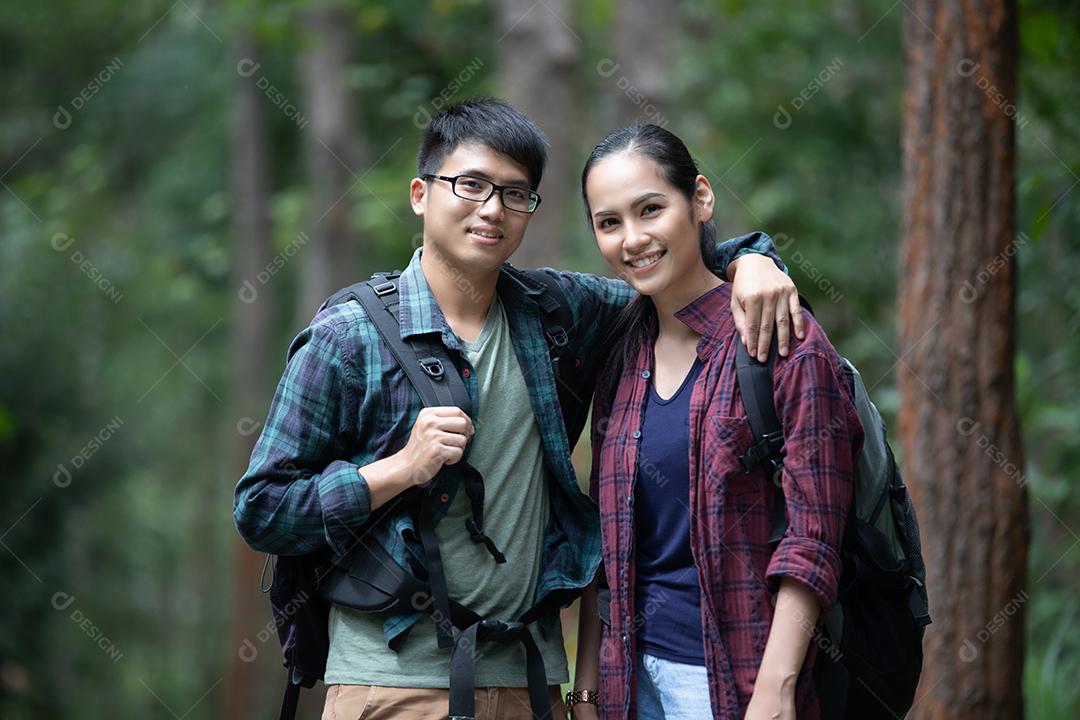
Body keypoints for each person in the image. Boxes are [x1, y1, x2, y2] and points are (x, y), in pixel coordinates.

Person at [233, 98, 801, 720]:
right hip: (394, 683)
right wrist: (396, 470)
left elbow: (667, 263)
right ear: (421, 194)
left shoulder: (554, 312)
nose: (491, 209)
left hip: (531, 684)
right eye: (470, 184)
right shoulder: (349, 336)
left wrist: (753, 259)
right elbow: (261, 508)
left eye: (514, 193)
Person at [572, 125, 863, 720]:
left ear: (700, 199)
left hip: (733, 684)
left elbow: (814, 537)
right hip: (626, 687)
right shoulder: (620, 357)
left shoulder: (783, 344)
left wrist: (776, 691)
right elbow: (606, 547)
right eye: (609, 222)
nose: (633, 239)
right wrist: (586, 692)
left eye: (650, 209)